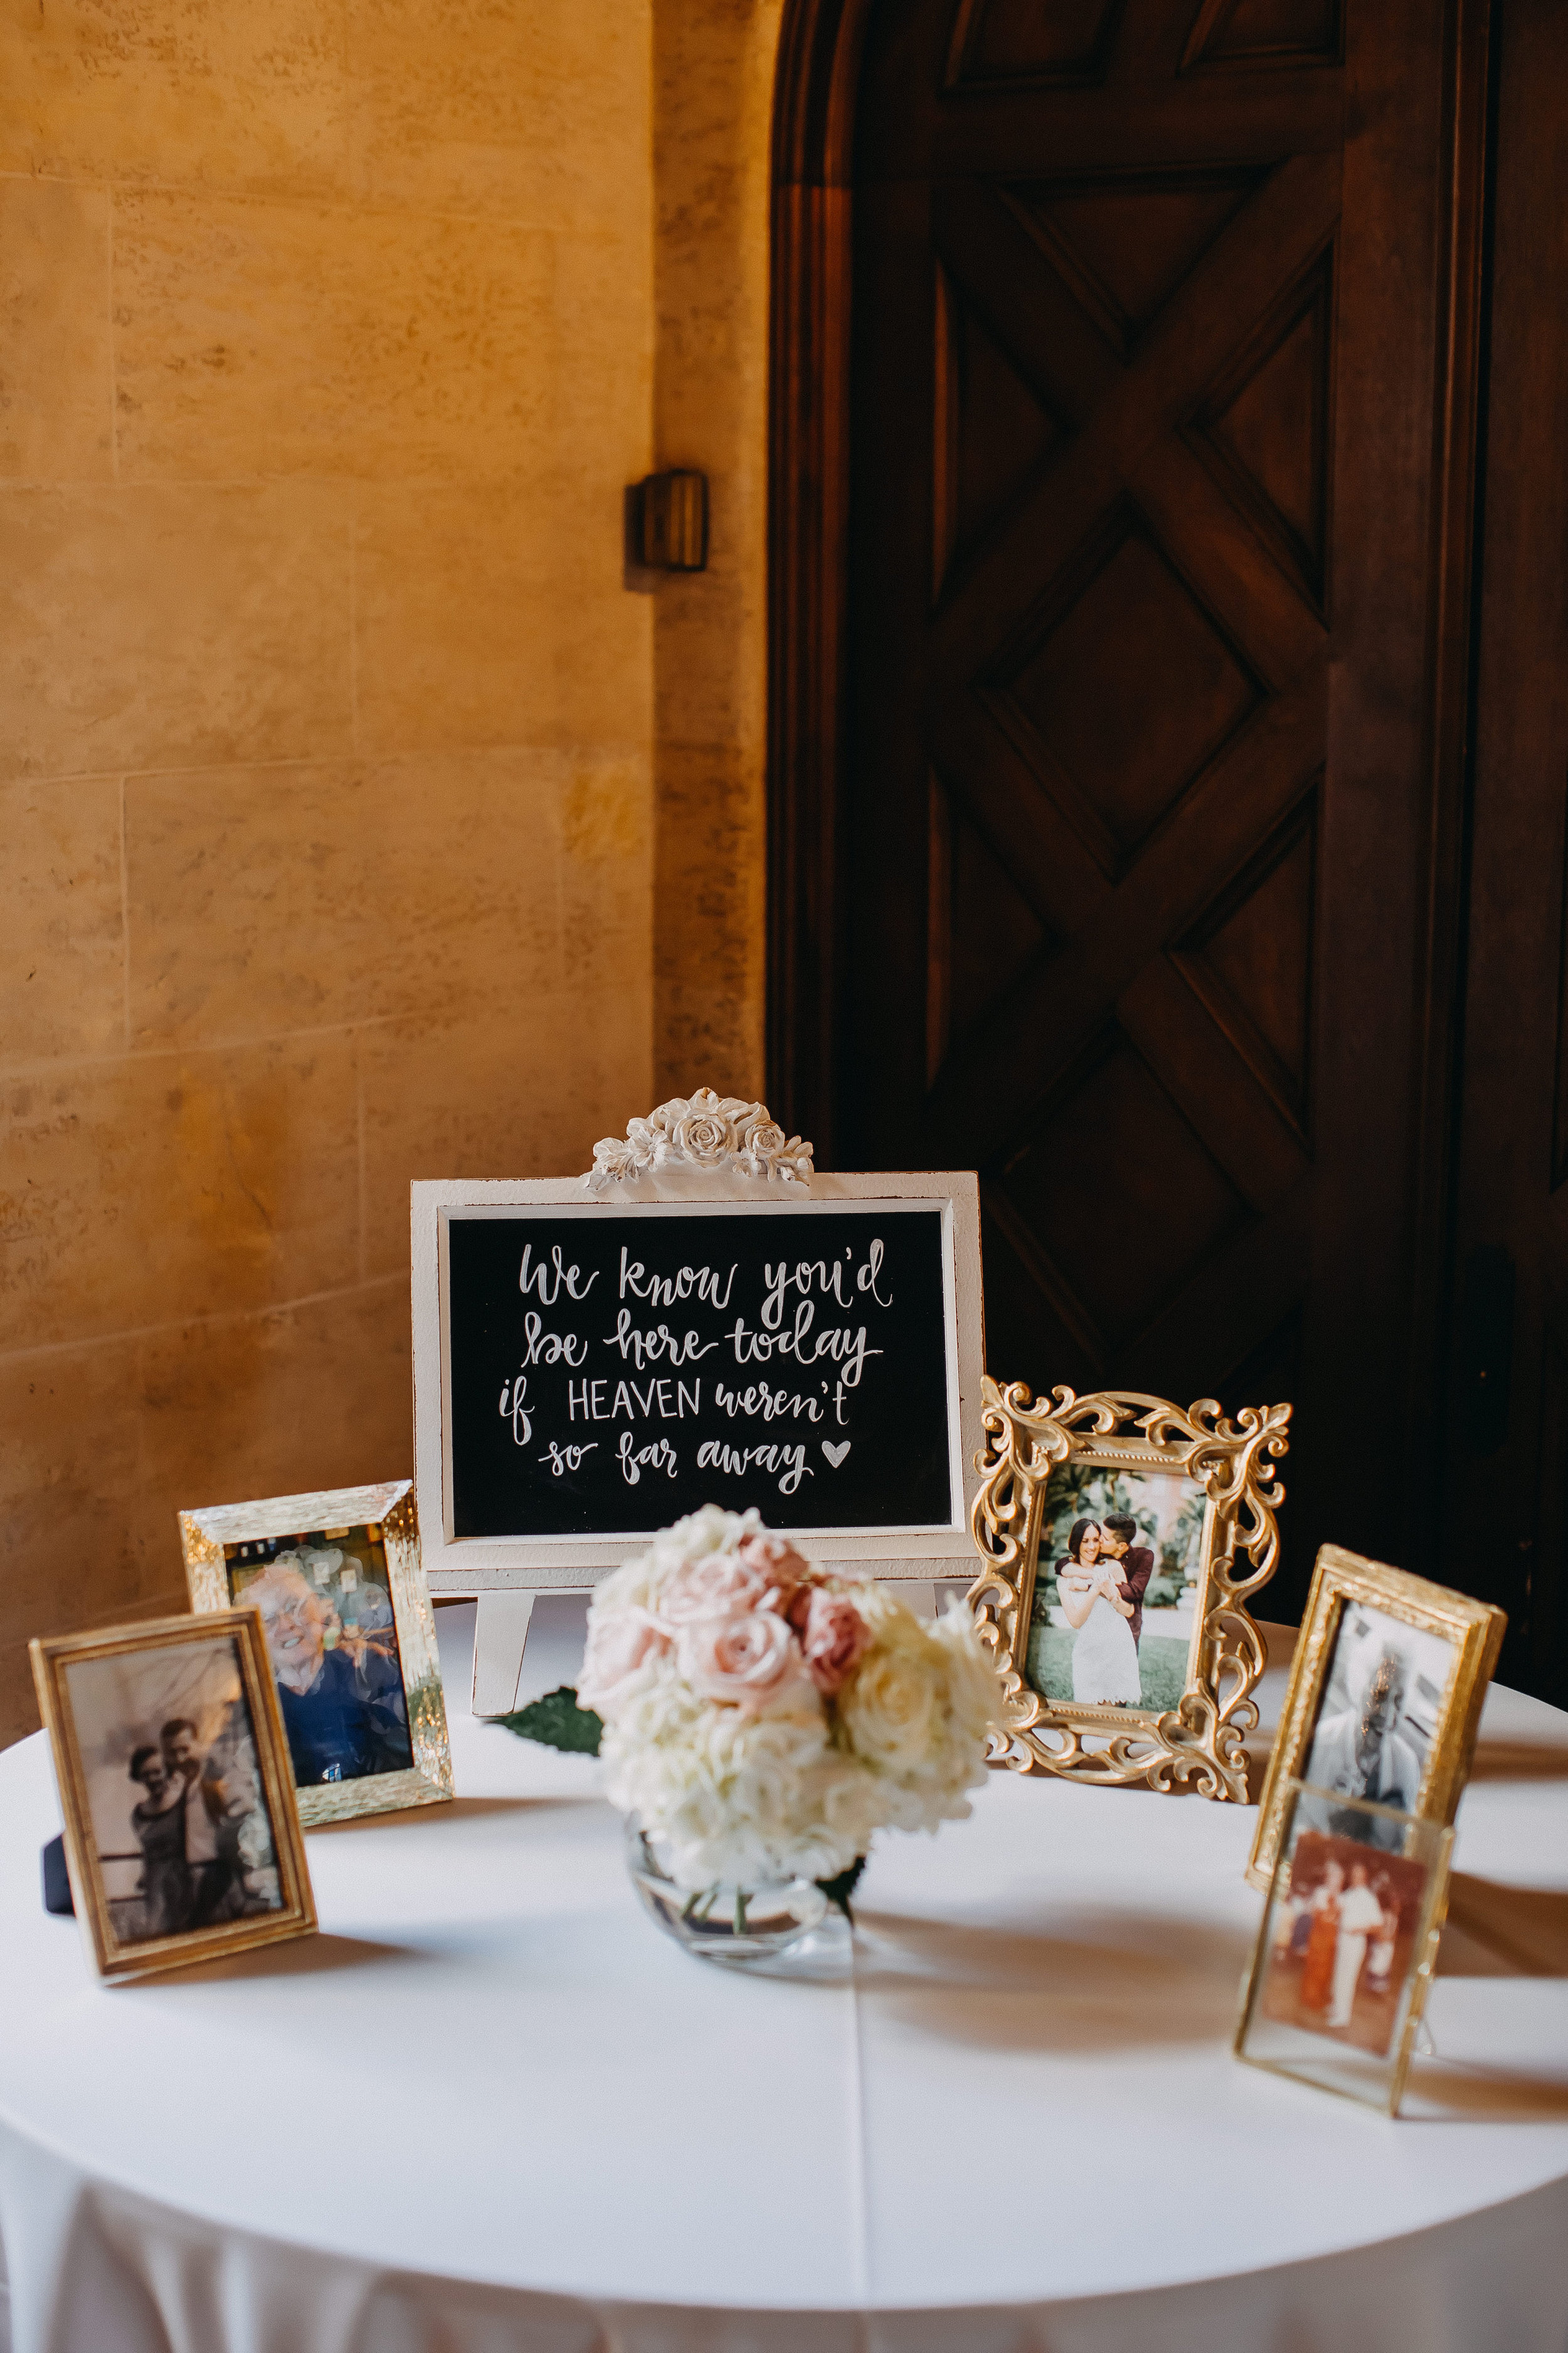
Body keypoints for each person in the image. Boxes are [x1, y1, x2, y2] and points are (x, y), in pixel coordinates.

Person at [249, 1558, 413, 1785]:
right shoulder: (255, 1711)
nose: (286, 1624)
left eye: (293, 1607)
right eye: (267, 1619)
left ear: (318, 1608)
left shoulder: (364, 1669)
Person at [159, 1718, 260, 1923]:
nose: (179, 1759)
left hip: (217, 1875)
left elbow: (248, 1821)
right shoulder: (173, 1790)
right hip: (186, 1879)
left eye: (185, 1749)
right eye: (172, 1753)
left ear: (198, 1745)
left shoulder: (217, 1781)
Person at [1306, 1650, 1423, 1818]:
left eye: (1398, 1701)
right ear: (1359, 1687)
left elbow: (1400, 1838)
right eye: (1379, 1695)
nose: (1387, 1715)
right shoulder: (1321, 1741)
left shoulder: (1407, 1765)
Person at [1056, 1518, 1142, 1706]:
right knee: (1090, 1715)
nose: (1092, 1546)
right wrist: (1095, 1589)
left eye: (1096, 1540)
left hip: (1116, 1649)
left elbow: (1129, 1611)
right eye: (1085, 1541)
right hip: (1088, 1651)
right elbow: (1076, 1621)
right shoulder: (1065, 1579)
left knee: (1113, 1717)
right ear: (1076, 1543)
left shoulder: (1113, 1567)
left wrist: (1111, 1594)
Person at [127, 1745, 192, 1936]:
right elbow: (147, 1852)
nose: (152, 1779)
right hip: (156, 1888)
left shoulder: (184, 1799)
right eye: (146, 1774)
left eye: (157, 1772)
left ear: (168, 1769)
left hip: (185, 1880)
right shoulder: (139, 1815)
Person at [1328, 1860, 1387, 2028]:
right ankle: (1336, 2007)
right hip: (1342, 1938)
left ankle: (1343, 2017)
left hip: (1355, 1941)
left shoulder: (1369, 1897)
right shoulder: (1348, 1894)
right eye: (1353, 1874)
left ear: (1364, 1877)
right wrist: (1333, 1886)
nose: (1355, 1877)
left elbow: (1378, 1925)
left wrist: (1359, 1930)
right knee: (1339, 1974)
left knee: (1348, 1978)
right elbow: (1335, 1907)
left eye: (1359, 1875)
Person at [1096, 1514, 1155, 1652]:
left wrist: (1101, 1587)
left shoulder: (1143, 1556)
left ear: (1121, 1546)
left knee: (1124, 1671)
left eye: (1105, 1538)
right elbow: (1065, 1563)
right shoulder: (1096, 1553)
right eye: (1100, 1534)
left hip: (1128, 1626)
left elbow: (1135, 1591)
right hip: (1099, 1625)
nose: (1099, 1540)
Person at [1299, 1859, 1344, 2010]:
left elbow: (1340, 1918)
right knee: (1314, 1967)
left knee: (1326, 1970)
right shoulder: (1321, 1892)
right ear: (1328, 1878)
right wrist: (1329, 1914)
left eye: (1339, 1878)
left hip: (1332, 1938)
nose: (1336, 1881)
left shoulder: (1342, 1897)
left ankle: (1319, 1997)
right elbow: (1316, 1912)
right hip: (1319, 1936)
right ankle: (1310, 1998)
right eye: (1334, 1877)